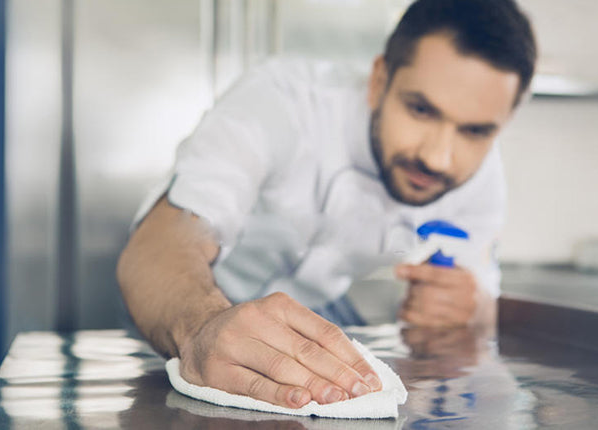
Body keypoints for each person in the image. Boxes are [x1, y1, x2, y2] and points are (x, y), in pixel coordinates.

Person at [117, 0, 536, 409]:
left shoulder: (480, 176)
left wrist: (467, 308)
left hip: (318, 325)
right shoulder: (283, 100)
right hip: (184, 309)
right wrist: (201, 328)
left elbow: (482, 305)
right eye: (421, 109)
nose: (438, 157)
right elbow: (164, 242)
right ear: (378, 80)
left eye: (476, 131)